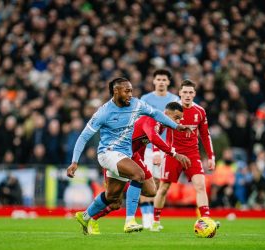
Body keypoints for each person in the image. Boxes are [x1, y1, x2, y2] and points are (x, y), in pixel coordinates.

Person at [66, 77, 190, 235]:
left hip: (127, 155)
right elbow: (84, 136)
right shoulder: (103, 113)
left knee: (113, 197)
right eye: (127, 91)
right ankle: (130, 221)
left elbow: (156, 113)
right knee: (138, 175)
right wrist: (74, 161)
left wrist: (177, 126)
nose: (130, 94)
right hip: (108, 153)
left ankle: (85, 216)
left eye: (131, 90)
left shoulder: (137, 104)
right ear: (116, 91)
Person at [93, 102, 191, 231]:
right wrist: (174, 154)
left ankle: (130, 197)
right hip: (117, 155)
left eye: (180, 119)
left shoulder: (162, 126)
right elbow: (153, 137)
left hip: (133, 156)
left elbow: (141, 144)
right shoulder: (152, 119)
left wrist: (141, 164)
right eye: (176, 117)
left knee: (151, 191)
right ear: (166, 114)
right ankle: (92, 219)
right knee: (115, 202)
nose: (178, 121)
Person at [152, 79, 216, 231]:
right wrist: (156, 152)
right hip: (173, 154)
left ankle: (205, 219)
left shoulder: (200, 111)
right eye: (185, 92)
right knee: (164, 188)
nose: (187, 95)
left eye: (190, 92)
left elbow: (205, 135)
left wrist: (211, 156)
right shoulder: (171, 110)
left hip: (192, 154)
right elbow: (156, 132)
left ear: (194, 94)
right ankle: (155, 221)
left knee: (200, 185)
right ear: (179, 93)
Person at [139, 69, 179, 228]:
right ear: (154, 81)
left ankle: (154, 219)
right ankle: (146, 218)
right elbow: (144, 124)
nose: (161, 82)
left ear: (168, 82)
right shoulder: (145, 99)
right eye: (159, 79)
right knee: (145, 181)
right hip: (147, 147)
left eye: (164, 79)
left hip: (166, 147)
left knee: (160, 184)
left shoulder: (175, 100)